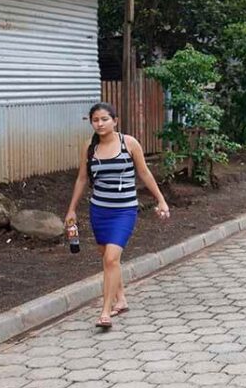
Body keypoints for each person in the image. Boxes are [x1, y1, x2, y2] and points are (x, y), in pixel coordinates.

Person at [65, 102, 170, 328]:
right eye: (95, 120)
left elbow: (144, 172)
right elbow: (82, 179)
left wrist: (160, 199)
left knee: (111, 259)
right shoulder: (89, 148)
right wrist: (72, 209)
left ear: (115, 120)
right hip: (99, 210)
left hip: (124, 210)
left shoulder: (129, 143)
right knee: (107, 258)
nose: (100, 124)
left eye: (104, 119)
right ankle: (121, 299)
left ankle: (105, 312)